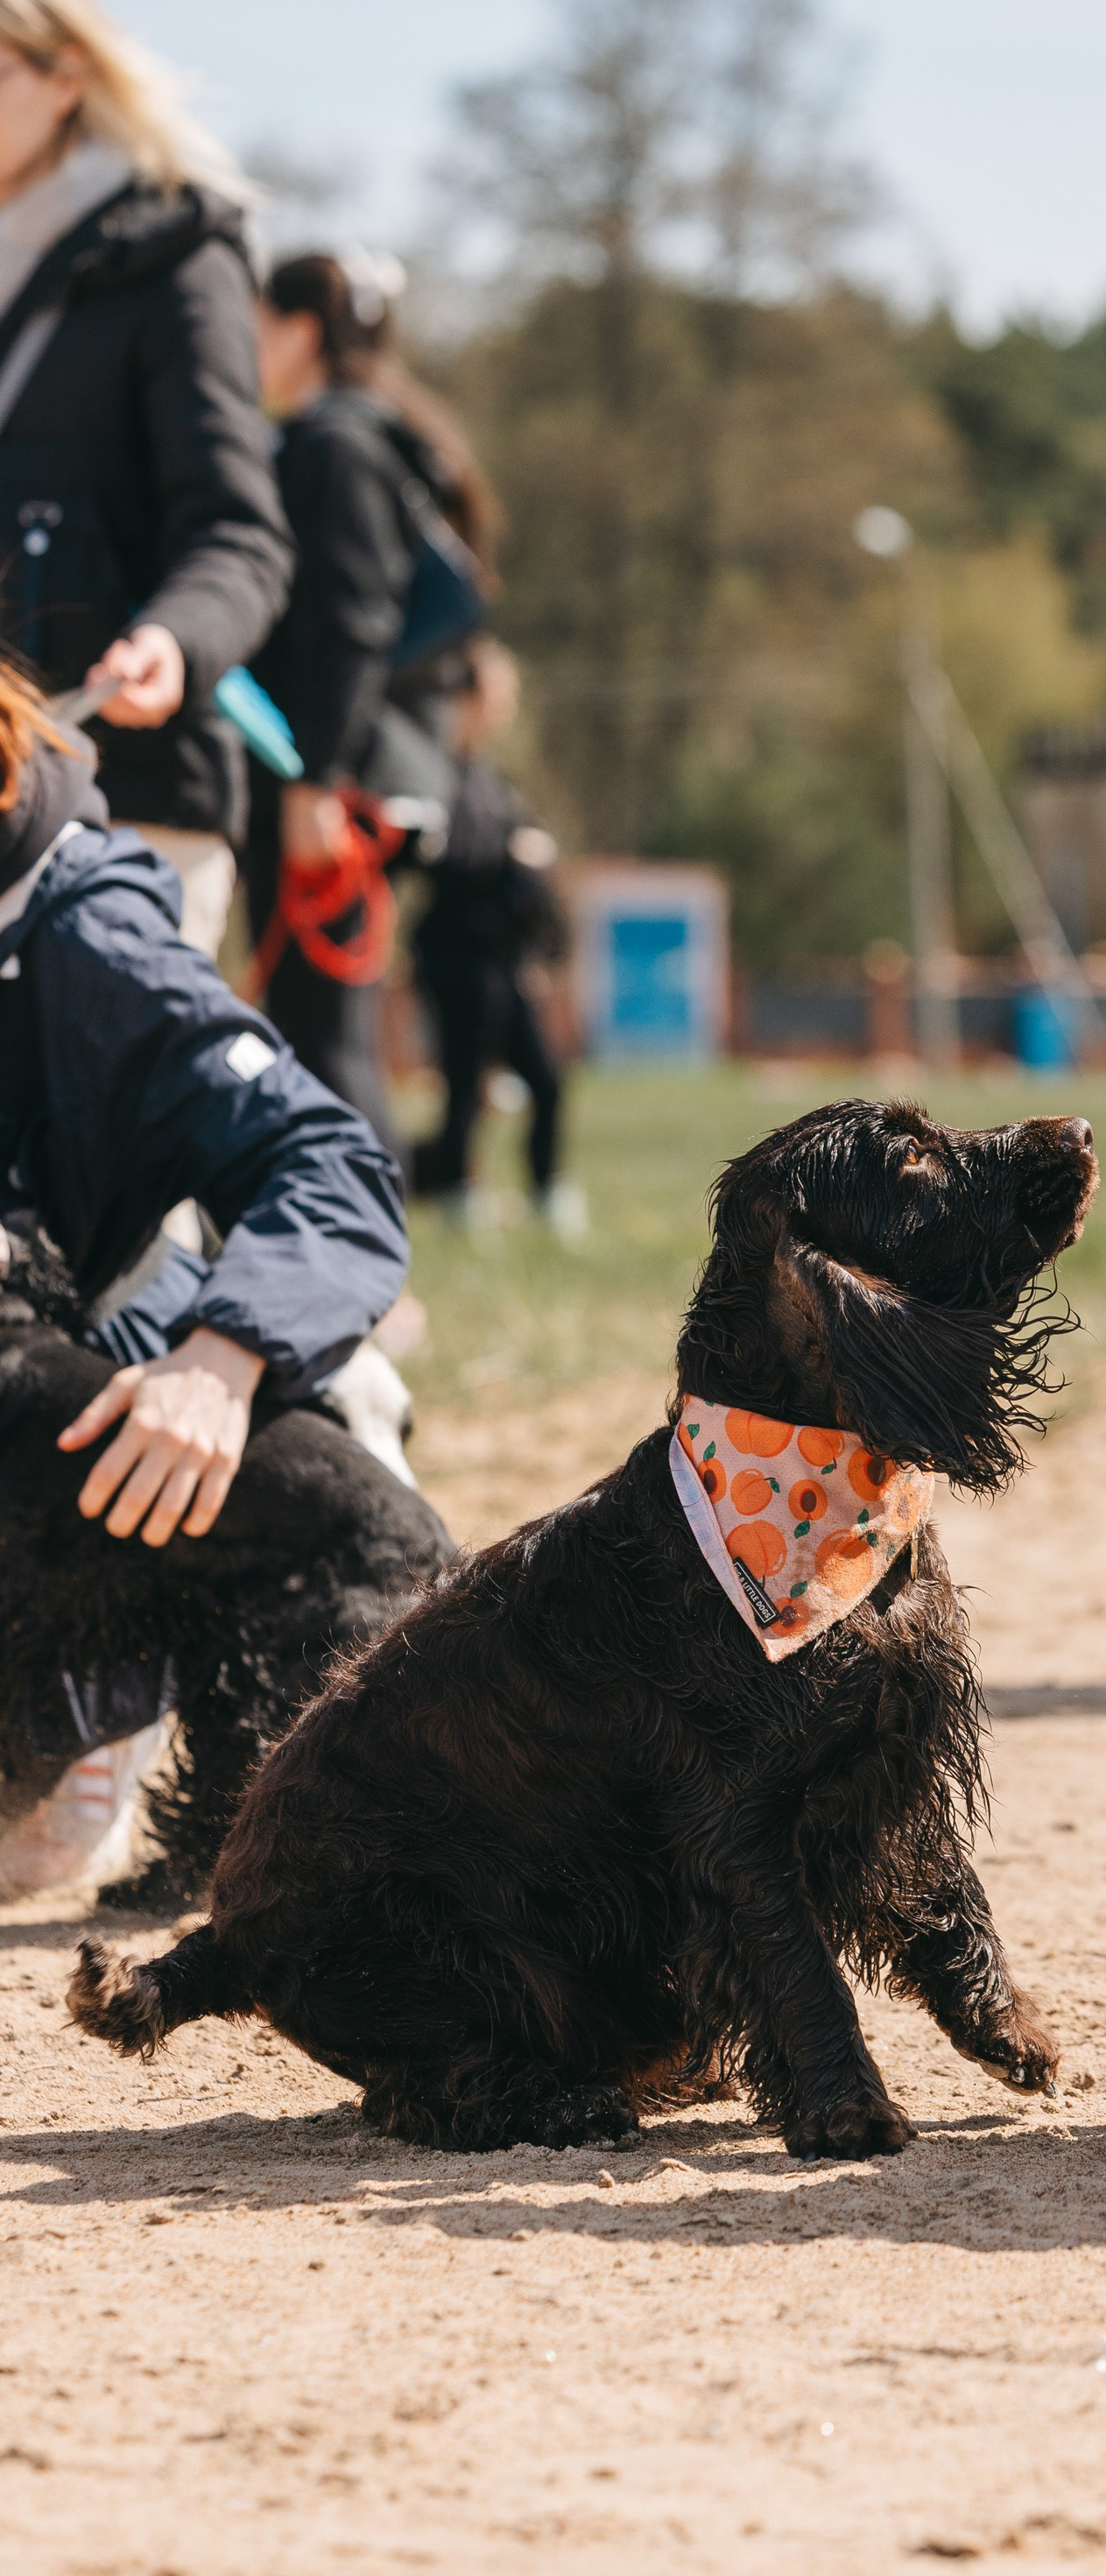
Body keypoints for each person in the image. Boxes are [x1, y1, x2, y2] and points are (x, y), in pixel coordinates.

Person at [0, 663, 421, 1890]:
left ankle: (117, 1706)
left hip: (65, 1368)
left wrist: (225, 1356)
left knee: (366, 1499)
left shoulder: (80, 925)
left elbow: (326, 1162)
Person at [0, 0, 292, 955]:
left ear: (65, 72)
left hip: (130, 809)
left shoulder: (175, 257)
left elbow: (239, 535)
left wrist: (174, 637)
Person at [243, 249, 498, 1150]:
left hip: (335, 786)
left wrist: (316, 778)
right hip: (355, 772)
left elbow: (350, 625)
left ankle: (366, 1268)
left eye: (257, 320)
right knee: (318, 1025)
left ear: (301, 330)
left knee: (326, 1035)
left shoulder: (333, 445)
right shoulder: (373, 437)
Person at [406, 639, 574, 1228]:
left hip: (505, 961)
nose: (509, 705)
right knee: (463, 1090)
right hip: (458, 958)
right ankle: (455, 1197)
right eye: (503, 692)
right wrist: (512, 853)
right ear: (470, 697)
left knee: (547, 1082)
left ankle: (549, 1195)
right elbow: (443, 858)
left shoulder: (490, 777)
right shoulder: (436, 771)